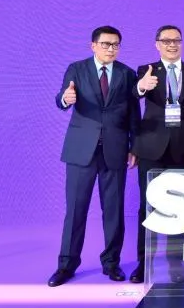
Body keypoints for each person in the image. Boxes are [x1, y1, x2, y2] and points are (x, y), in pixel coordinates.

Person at [49, 26, 140, 287]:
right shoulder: (76, 68)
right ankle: (66, 265)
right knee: (75, 210)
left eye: (115, 45)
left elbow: (134, 113)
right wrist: (65, 99)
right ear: (93, 46)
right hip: (81, 151)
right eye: (105, 44)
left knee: (113, 211)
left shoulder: (127, 73)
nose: (111, 49)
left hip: (115, 150)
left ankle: (111, 263)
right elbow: (61, 98)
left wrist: (134, 146)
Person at [129, 25, 184, 284]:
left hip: (183, 148)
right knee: (147, 206)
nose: (172, 45)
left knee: (179, 208)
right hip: (151, 147)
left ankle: (175, 263)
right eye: (166, 40)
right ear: (157, 44)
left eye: (176, 40)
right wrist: (141, 87)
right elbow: (132, 99)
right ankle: (144, 262)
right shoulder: (146, 70)